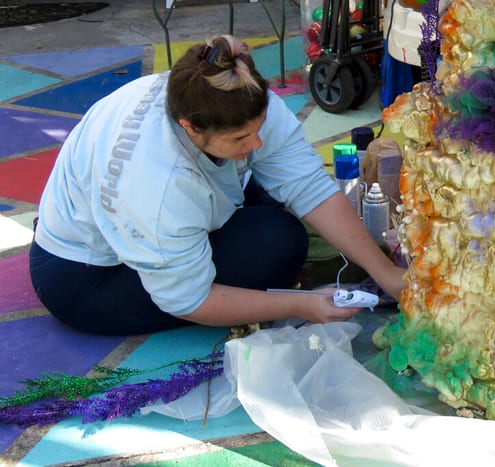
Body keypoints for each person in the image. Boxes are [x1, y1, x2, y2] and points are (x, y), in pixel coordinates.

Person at [29, 35, 405, 335]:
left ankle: (181, 242)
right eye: (240, 138)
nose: (255, 143)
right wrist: (301, 305)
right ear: (190, 127)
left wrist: (386, 275)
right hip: (85, 278)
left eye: (259, 127)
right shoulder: (157, 185)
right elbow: (189, 301)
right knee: (278, 243)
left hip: (141, 216)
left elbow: (308, 186)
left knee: (269, 188)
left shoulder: (226, 91)